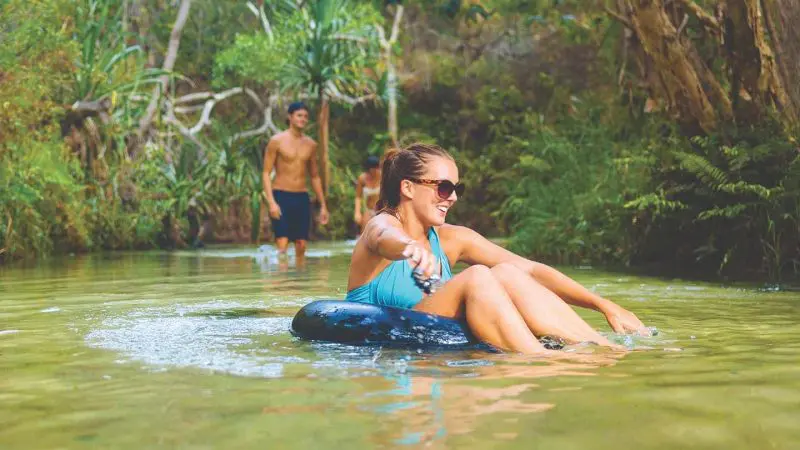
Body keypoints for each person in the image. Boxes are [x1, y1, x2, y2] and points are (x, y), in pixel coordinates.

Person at [346, 143, 648, 354]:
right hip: (385, 338)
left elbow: (529, 269)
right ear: (408, 187)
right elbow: (384, 237)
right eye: (444, 188)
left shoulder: (452, 239)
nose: (452, 198)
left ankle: (602, 348)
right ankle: (543, 360)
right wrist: (411, 249)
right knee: (477, 276)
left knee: (505, 271)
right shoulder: (381, 225)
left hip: (437, 342)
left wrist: (604, 304)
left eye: (456, 189)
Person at [263, 102, 329, 260]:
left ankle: (299, 283)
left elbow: (314, 176)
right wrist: (271, 202)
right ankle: (281, 282)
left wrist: (323, 206)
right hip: (281, 195)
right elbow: (266, 173)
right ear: (290, 117)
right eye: (299, 115)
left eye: (306, 116)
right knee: (283, 242)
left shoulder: (311, 145)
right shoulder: (276, 141)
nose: (303, 119)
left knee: (301, 244)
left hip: (301, 197)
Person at [354, 155, 382, 234]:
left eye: (377, 169)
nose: (374, 172)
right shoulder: (362, 178)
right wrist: (357, 212)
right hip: (368, 210)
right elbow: (358, 197)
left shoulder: (382, 176)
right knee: (364, 232)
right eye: (372, 170)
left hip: (381, 210)